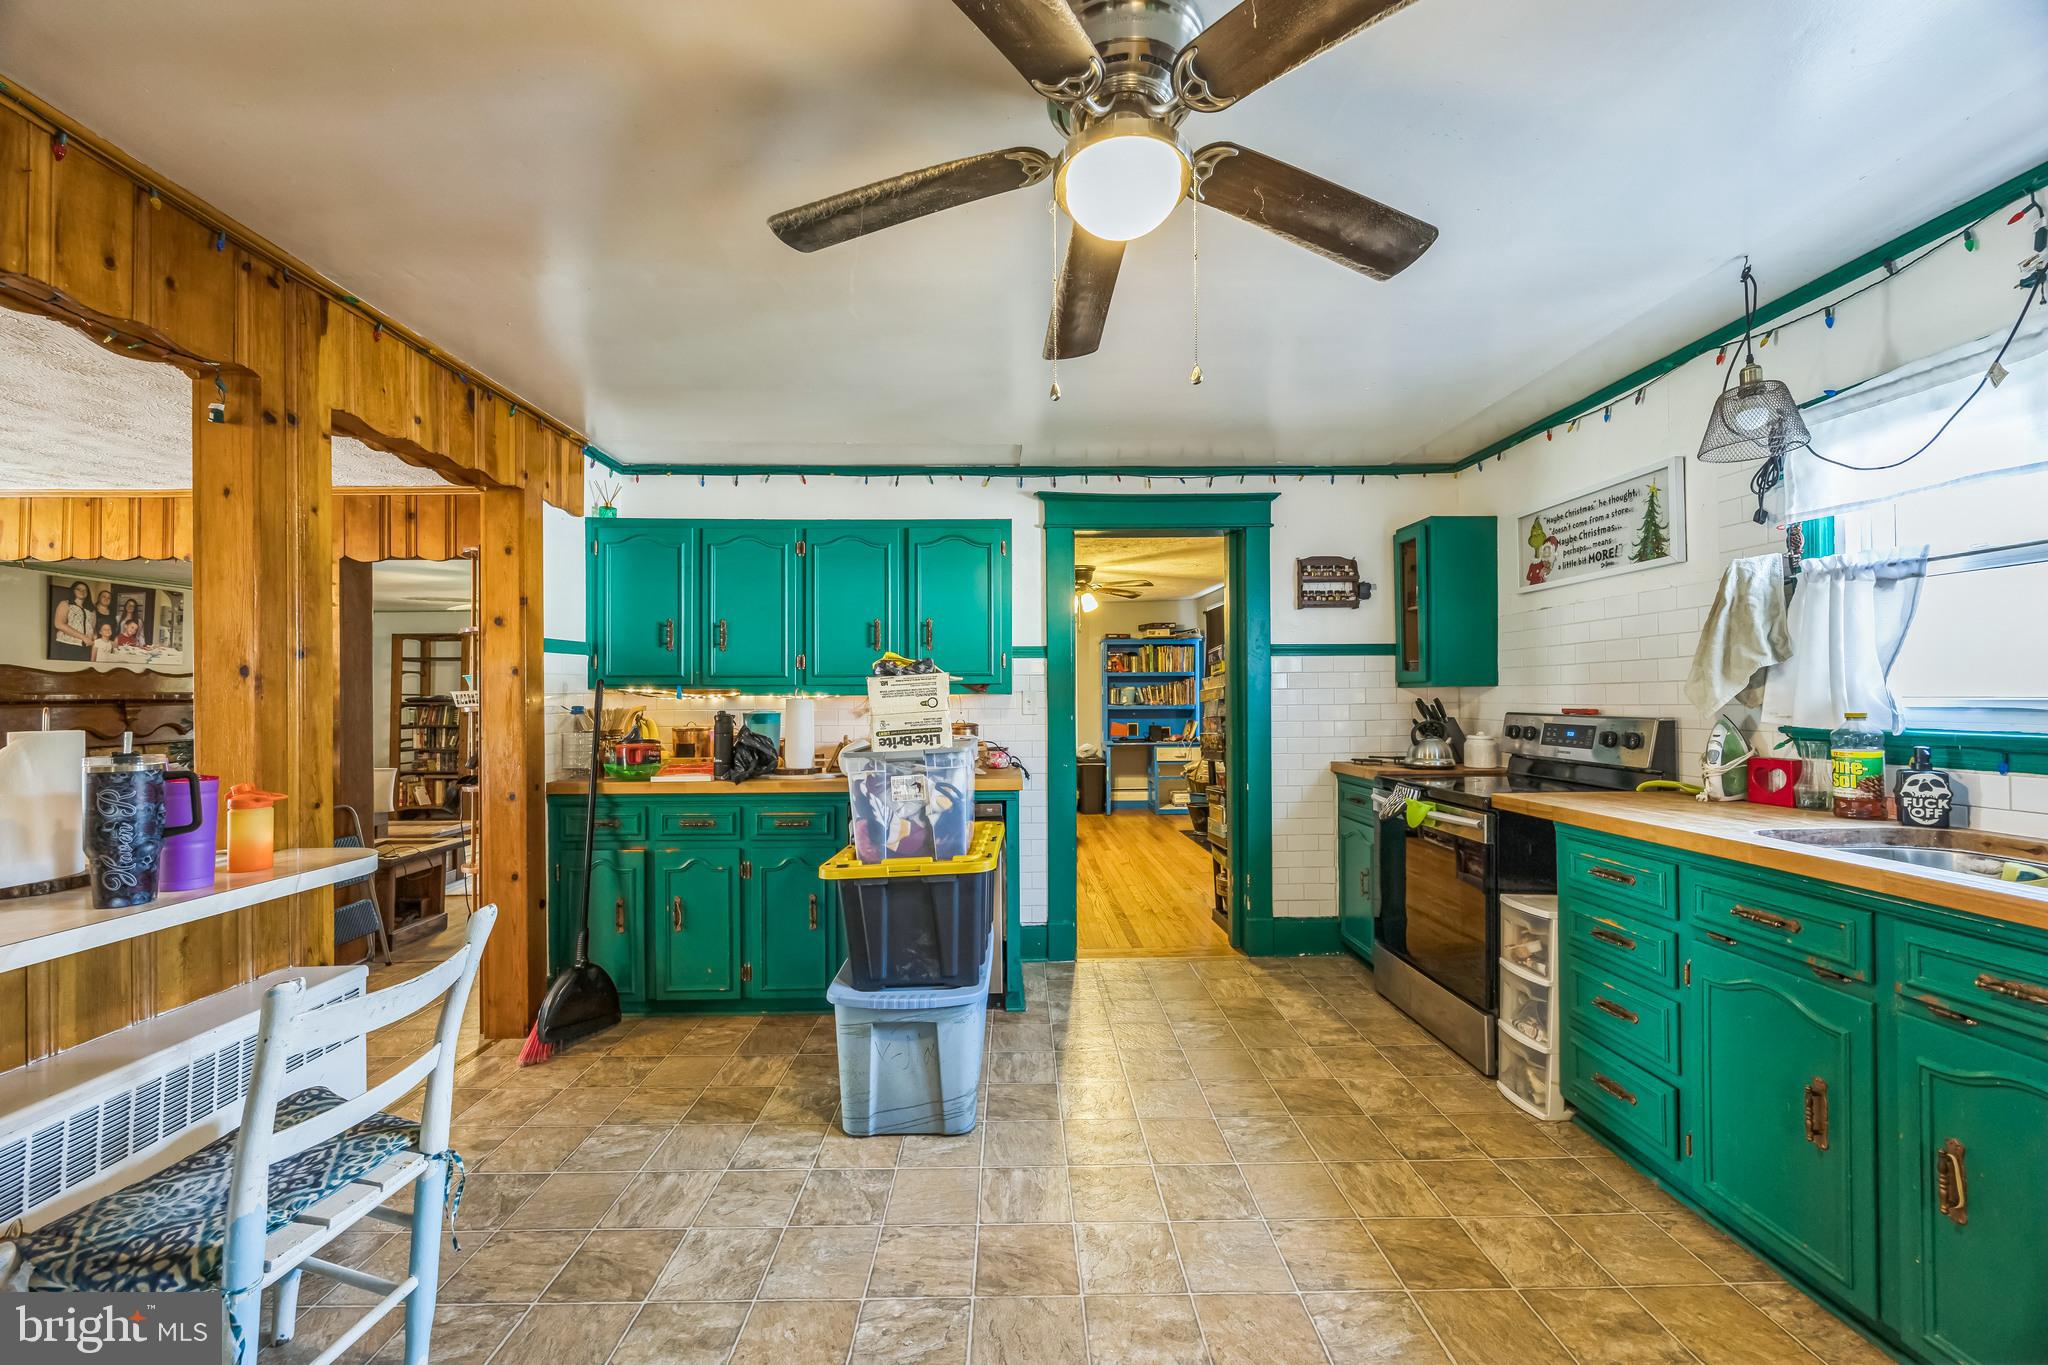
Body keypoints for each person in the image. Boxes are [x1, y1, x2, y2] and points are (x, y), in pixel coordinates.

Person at [51, 581, 94, 660]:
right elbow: (59, 624)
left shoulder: (91, 609)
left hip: (86, 647)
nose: (82, 591)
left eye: (85, 590)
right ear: (73, 590)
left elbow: (92, 627)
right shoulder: (65, 604)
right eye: (78, 589)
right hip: (67, 645)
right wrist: (83, 637)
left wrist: (92, 640)